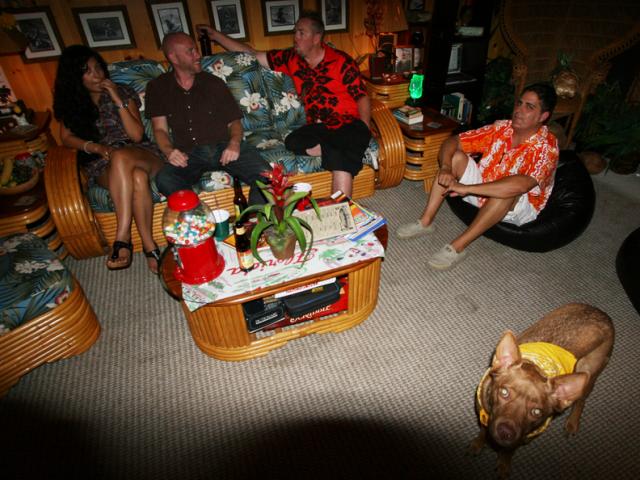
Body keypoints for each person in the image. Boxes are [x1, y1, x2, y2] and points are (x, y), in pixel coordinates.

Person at [197, 10, 371, 198]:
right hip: (321, 128)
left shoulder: (341, 61)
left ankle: (341, 206)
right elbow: (251, 53)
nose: (295, 37)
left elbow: (362, 96)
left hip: (348, 123)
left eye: (301, 33)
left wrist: (364, 128)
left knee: (342, 148)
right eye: (295, 32)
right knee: (293, 141)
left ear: (316, 38)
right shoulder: (291, 58)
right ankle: (339, 148)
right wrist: (216, 35)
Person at [396, 83, 559, 270]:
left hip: (517, 207)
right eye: (519, 103)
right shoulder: (502, 128)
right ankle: (425, 222)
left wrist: (466, 189)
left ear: (543, 116)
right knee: (455, 157)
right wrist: (446, 168)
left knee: (506, 192)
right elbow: (453, 141)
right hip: (483, 187)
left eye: (529, 107)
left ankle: (457, 247)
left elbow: (521, 185)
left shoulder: (547, 147)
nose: (519, 110)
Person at [53, 45, 165, 273]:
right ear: (75, 77)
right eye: (88, 71)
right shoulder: (73, 104)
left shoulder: (122, 91)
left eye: (98, 68)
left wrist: (116, 97)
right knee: (137, 178)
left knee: (122, 156)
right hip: (102, 162)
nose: (97, 75)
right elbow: (65, 137)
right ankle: (149, 246)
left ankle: (122, 237)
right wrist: (95, 147)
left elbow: (136, 135)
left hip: (141, 153)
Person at [145, 32, 269, 206]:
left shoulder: (214, 83)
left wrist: (234, 143)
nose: (198, 55)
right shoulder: (157, 87)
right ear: (173, 57)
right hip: (188, 154)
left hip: (223, 147)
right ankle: (200, 216)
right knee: (165, 179)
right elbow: (159, 129)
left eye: (196, 49)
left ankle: (256, 219)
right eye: (191, 51)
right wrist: (169, 151)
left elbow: (234, 121)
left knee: (265, 175)